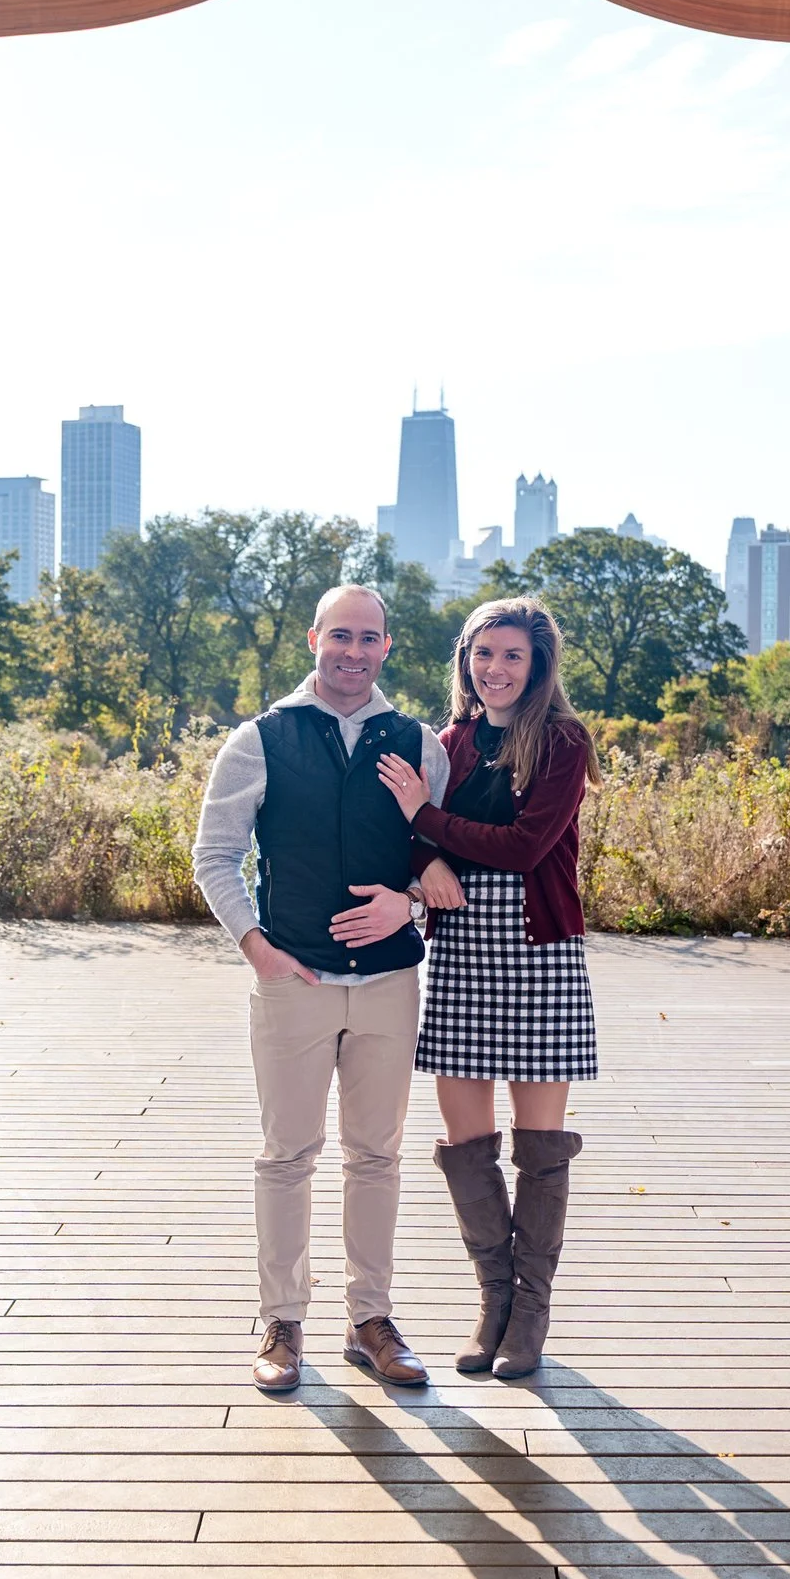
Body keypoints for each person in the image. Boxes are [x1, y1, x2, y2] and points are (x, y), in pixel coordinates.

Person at [190, 584, 460, 1394]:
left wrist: (405, 900)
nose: (353, 650)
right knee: (287, 1155)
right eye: (339, 635)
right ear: (314, 638)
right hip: (294, 982)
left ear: (387, 646)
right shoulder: (261, 738)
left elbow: (438, 858)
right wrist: (258, 949)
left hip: (388, 983)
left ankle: (369, 1318)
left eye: (368, 637)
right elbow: (215, 856)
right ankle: (282, 1320)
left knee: (376, 1155)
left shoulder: (419, 742)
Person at [377, 596, 597, 1379]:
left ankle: (531, 1311)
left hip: (539, 952)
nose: (496, 669)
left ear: (538, 665)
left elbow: (523, 846)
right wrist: (421, 860)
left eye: (512, 655)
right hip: (464, 952)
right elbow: (392, 830)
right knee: (466, 1143)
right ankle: (493, 1301)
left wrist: (428, 821)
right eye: (483, 654)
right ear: (465, 659)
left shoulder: (563, 740)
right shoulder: (449, 741)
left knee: (540, 1146)